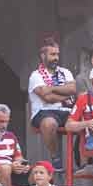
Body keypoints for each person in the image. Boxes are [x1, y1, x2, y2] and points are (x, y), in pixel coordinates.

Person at [27, 42, 74, 170]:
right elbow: (47, 98)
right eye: (52, 54)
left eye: (57, 54)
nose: (56, 58)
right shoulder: (35, 75)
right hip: (44, 112)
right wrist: (64, 93)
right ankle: (55, 157)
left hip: (66, 110)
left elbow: (72, 89)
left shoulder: (65, 72)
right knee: (49, 124)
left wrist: (51, 88)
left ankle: (84, 162)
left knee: (87, 121)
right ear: (43, 56)